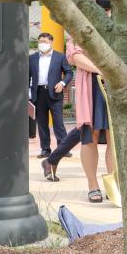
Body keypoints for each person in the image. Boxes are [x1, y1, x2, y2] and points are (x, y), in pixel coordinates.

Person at [66, 0, 114, 203]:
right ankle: (92, 185)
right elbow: (74, 55)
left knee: (116, 137)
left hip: (117, 85)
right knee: (90, 136)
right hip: (91, 85)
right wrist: (101, 69)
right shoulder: (79, 22)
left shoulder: (122, 23)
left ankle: (113, 183)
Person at [29, 32, 73, 160]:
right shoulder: (32, 58)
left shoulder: (60, 57)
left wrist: (63, 83)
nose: (42, 44)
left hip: (55, 92)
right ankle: (45, 149)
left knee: (58, 122)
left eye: (45, 42)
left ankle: (63, 149)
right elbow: (27, 76)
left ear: (51, 42)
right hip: (38, 93)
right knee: (42, 123)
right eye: (40, 41)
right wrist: (28, 92)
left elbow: (69, 72)